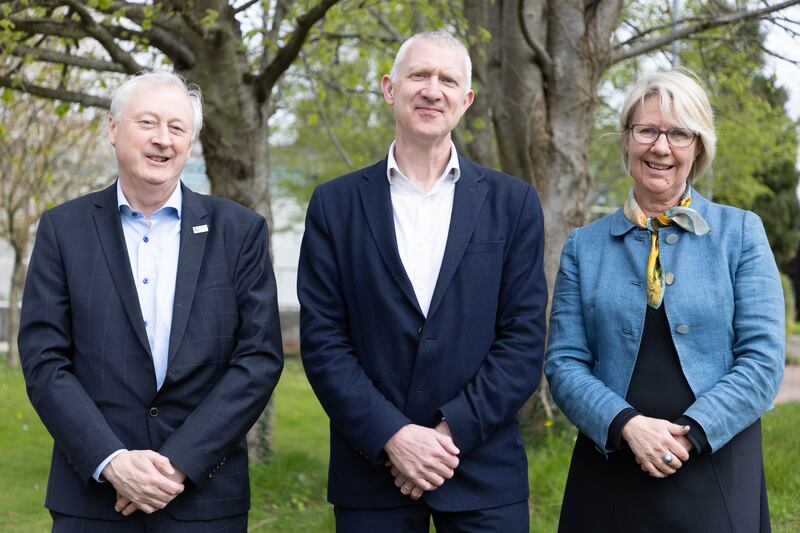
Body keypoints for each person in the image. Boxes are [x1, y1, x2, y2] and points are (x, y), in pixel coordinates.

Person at [297, 31, 547, 532]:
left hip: (481, 469)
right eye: (419, 75)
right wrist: (394, 436)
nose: (433, 90)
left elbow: (523, 339)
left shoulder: (513, 203)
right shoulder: (335, 204)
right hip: (372, 470)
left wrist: (447, 434)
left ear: (466, 100)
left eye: (447, 80)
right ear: (390, 88)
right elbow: (324, 341)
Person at [18, 71, 284, 532]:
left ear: (191, 142)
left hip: (203, 500)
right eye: (148, 123)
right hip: (93, 500)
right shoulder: (64, 230)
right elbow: (45, 361)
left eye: (177, 128)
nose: (163, 140)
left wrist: (179, 463)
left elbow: (258, 360)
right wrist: (112, 461)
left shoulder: (240, 232)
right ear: (114, 129)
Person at [545, 70, 784, 532]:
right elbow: (565, 363)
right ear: (627, 140)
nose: (661, 146)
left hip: (715, 466)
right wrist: (628, 426)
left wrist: (690, 435)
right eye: (647, 130)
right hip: (611, 466)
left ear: (698, 147)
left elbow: (763, 361)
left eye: (679, 133)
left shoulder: (741, 233)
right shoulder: (583, 246)